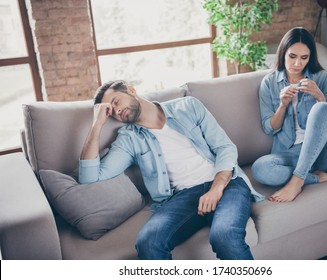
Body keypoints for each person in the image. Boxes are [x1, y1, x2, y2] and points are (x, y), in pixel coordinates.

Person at [78, 80, 265, 260]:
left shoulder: (188, 106)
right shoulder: (129, 139)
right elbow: (90, 177)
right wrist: (97, 124)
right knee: (148, 243)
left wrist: (216, 189)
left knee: (224, 236)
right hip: (182, 198)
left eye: (116, 102)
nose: (117, 111)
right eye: (112, 112)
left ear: (131, 90)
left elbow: (225, 148)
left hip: (226, 183)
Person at [251, 27, 327, 203]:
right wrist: (282, 105)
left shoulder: (321, 77)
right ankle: (320, 177)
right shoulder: (269, 83)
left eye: (304, 58)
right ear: (283, 53)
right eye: (292, 56)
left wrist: (319, 96)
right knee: (259, 169)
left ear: (310, 58)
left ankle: (297, 181)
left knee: (322, 108)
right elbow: (269, 128)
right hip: (291, 153)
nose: (298, 63)